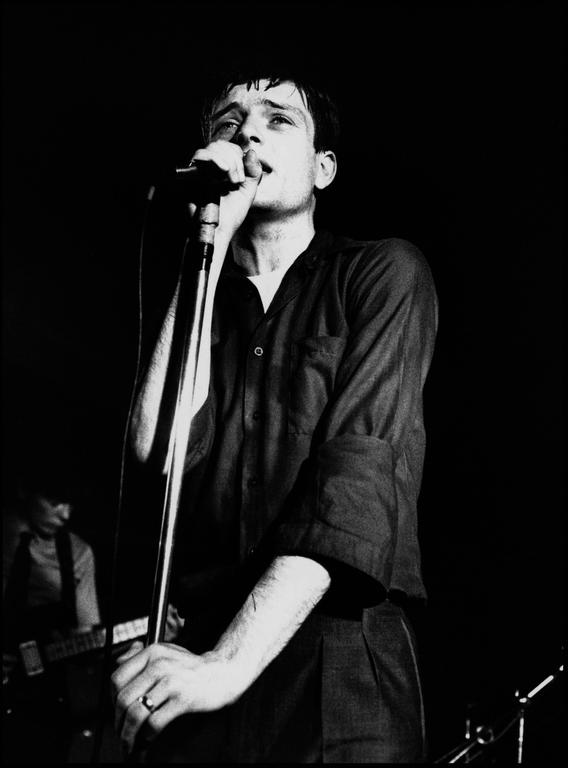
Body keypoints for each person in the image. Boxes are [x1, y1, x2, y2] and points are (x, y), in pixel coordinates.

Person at [111, 65, 438, 763]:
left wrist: (230, 663)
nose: (247, 133)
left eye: (277, 120)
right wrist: (209, 248)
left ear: (323, 169)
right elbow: (157, 453)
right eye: (229, 122)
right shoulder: (201, 297)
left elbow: (355, 482)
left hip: (337, 655)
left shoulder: (381, 273)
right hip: (201, 652)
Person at [2, 460, 102, 763]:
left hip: (38, 695)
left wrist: (138, 635)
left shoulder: (79, 553)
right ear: (25, 491)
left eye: (71, 505)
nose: (65, 515)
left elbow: (86, 638)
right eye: (56, 502)